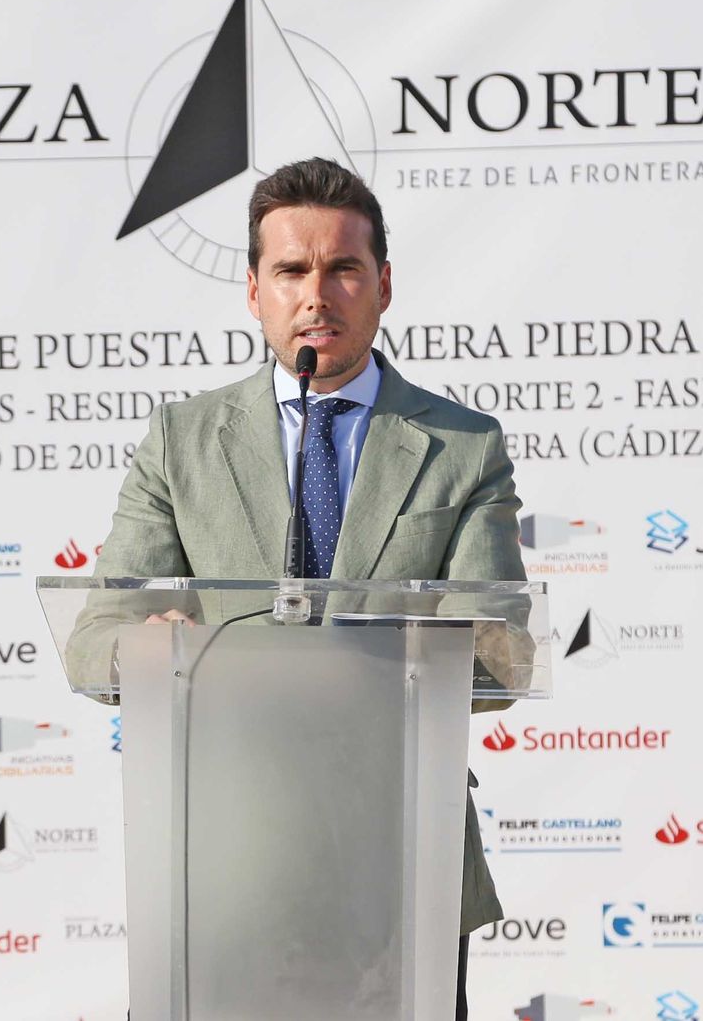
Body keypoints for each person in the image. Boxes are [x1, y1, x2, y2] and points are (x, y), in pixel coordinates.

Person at [89, 155, 523, 1019]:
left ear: (383, 286)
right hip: (224, 858)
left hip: (401, 857)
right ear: (254, 291)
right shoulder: (181, 441)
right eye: (291, 270)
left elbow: (498, 653)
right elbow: (99, 629)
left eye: (342, 268)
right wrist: (152, 641)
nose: (315, 294)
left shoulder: (463, 446)